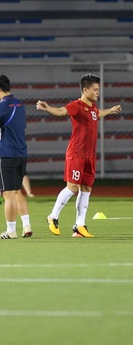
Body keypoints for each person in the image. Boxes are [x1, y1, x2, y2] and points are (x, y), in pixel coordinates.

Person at [36, 74, 122, 238]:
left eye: (98, 89)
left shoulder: (93, 107)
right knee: (73, 187)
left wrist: (110, 111)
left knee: (86, 189)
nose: (98, 92)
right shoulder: (77, 105)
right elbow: (61, 111)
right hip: (77, 154)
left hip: (90, 155)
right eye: (95, 90)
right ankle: (53, 216)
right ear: (85, 90)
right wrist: (48, 108)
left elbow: (97, 114)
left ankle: (79, 226)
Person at [0, 73, 33, 239]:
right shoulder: (20, 104)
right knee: (18, 191)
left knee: (8, 194)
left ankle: (11, 231)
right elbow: (22, 129)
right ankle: (26, 226)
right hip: (21, 153)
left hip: (6, 154)